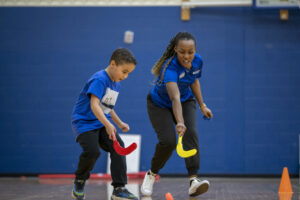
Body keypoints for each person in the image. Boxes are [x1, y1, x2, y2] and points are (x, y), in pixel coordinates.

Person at [140, 32, 213, 197]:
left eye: (190, 52)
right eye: (182, 52)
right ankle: (151, 174)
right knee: (168, 141)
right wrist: (180, 122)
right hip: (159, 104)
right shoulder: (170, 67)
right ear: (175, 50)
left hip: (186, 101)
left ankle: (193, 181)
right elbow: (175, 97)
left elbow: (194, 81)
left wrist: (202, 105)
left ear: (195, 50)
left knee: (191, 133)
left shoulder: (198, 61)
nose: (187, 56)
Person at [71, 48, 138, 200]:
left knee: (118, 148)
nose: (126, 76)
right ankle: (80, 180)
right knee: (93, 151)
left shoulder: (116, 83)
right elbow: (94, 105)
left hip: (100, 121)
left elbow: (107, 108)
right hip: (84, 122)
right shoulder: (100, 79)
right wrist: (108, 125)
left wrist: (119, 123)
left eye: (128, 73)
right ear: (113, 64)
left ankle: (119, 189)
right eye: (124, 71)